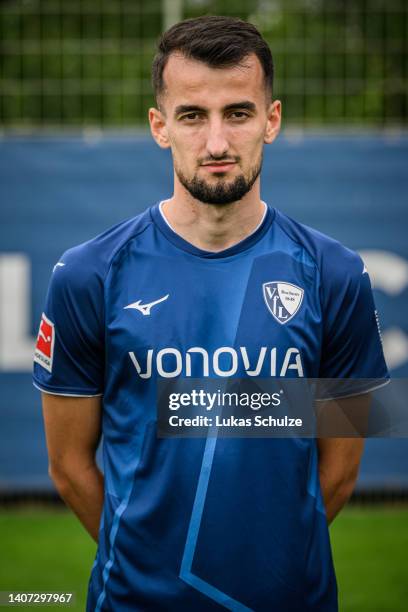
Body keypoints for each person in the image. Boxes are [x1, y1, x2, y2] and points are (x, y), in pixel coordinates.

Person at [33, 15, 389, 612]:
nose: (217, 143)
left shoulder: (338, 274)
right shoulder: (86, 273)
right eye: (193, 116)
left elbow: (340, 472)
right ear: (160, 126)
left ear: (271, 120)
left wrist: (263, 566)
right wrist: (155, 566)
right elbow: (68, 467)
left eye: (239, 113)